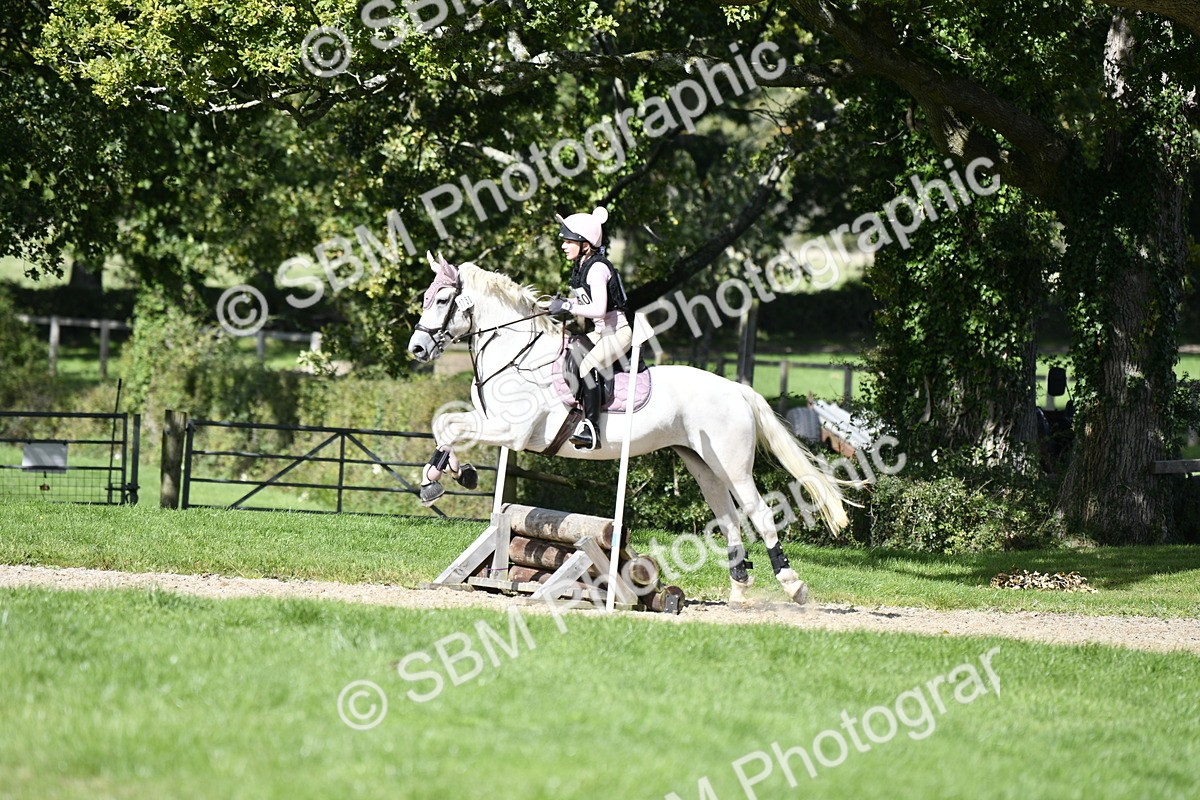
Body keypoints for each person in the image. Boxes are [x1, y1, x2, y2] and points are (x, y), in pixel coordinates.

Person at [548, 205, 632, 450]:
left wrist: (566, 305)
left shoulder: (597, 268)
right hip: (599, 332)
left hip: (618, 332)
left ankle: (592, 429)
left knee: (587, 365)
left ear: (584, 242)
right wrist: (554, 304)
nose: (563, 245)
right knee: (569, 353)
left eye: (568, 241)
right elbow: (583, 302)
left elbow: (597, 309)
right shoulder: (582, 267)